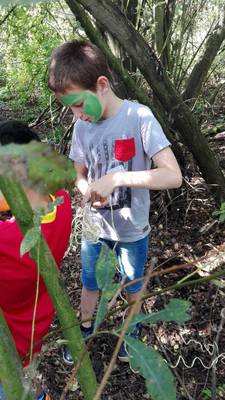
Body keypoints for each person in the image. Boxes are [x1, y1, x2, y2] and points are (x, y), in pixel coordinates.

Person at [48, 40, 182, 364]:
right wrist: (84, 187)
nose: (75, 114)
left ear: (102, 85)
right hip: (96, 228)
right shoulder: (82, 126)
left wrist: (118, 178)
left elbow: (172, 176)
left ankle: (130, 334)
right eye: (70, 108)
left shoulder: (139, 117)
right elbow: (78, 172)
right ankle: (84, 328)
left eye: (79, 104)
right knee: (90, 282)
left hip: (132, 230)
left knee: (133, 287)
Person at [0, 120, 72, 400]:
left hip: (7, 349)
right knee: (30, 380)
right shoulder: (62, 205)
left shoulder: (7, 242)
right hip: (35, 328)